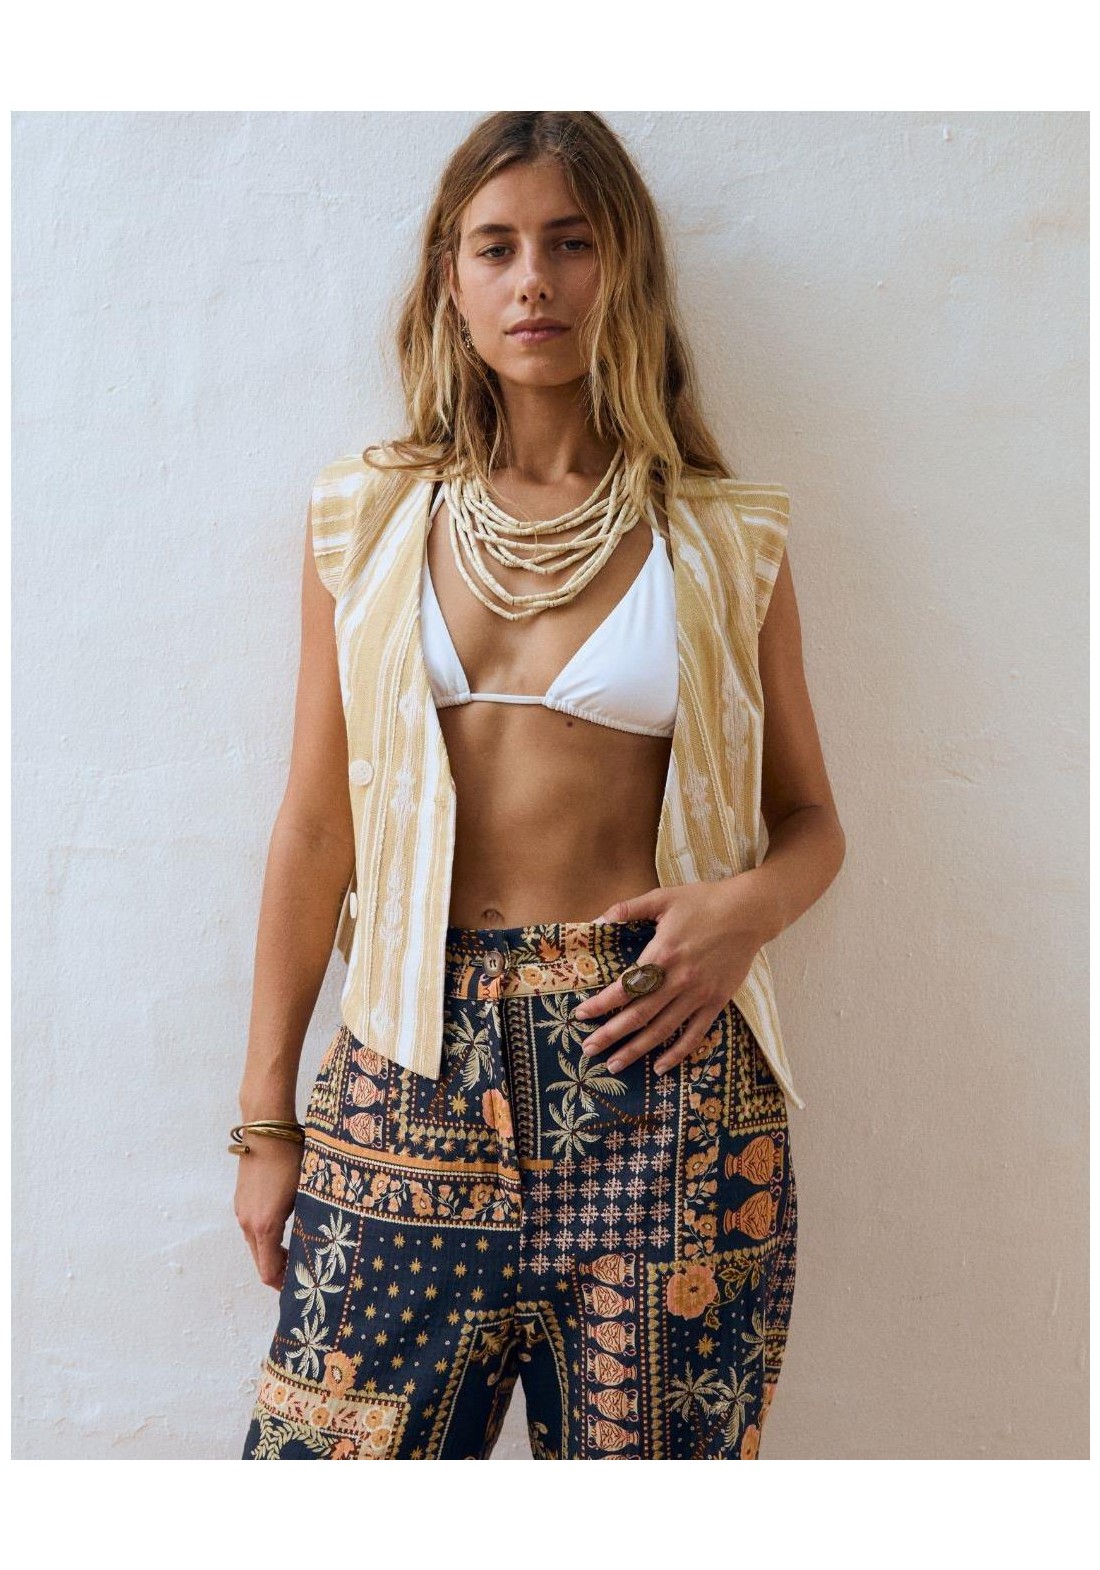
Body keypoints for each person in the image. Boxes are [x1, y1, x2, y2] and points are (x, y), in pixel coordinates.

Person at [235, 110, 845, 1461]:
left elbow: (812, 819)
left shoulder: (722, 533)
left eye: (572, 244)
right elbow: (318, 825)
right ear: (449, 281)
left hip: (662, 1064)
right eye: (497, 246)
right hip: (410, 1061)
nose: (534, 282)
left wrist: (744, 912)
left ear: (623, 270)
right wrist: (266, 1119)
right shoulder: (367, 517)